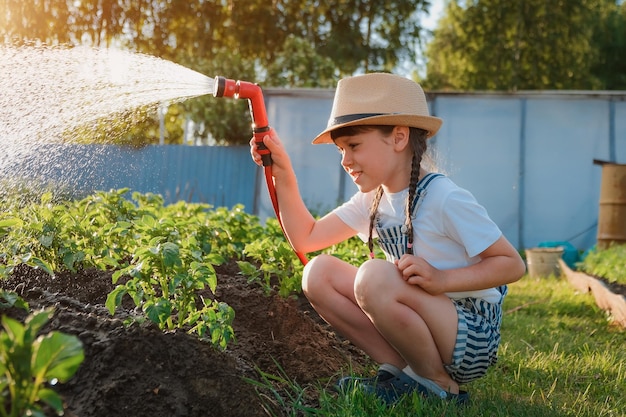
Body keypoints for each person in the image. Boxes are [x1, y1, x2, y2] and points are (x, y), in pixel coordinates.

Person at [250, 73, 526, 405]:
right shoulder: (373, 200)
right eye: (341, 150)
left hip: (469, 335)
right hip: (427, 321)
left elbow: (512, 265)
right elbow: (306, 239)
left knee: (373, 276)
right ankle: (404, 372)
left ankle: (440, 386)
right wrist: (283, 173)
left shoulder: (444, 198)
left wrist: (443, 279)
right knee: (318, 274)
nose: (345, 161)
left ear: (398, 138)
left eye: (353, 146)